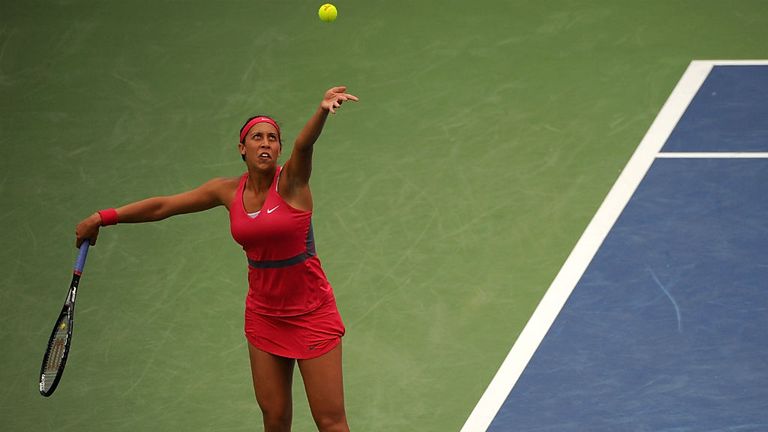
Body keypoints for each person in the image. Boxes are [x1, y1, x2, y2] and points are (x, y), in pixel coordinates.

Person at [75, 86, 359, 432]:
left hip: (312, 312)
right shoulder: (225, 191)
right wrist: (103, 217)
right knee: (275, 417)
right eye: (257, 137)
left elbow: (304, 145)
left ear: (280, 149)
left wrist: (322, 111)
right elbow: (164, 206)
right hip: (264, 315)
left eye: (273, 138)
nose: (266, 143)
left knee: (330, 421)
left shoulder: (293, 181)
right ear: (243, 148)